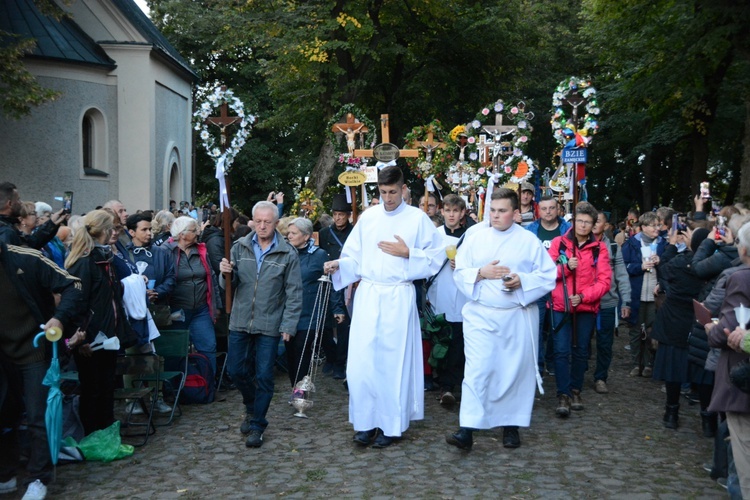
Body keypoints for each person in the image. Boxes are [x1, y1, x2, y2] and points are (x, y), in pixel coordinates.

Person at [324, 166, 443, 448]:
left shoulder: (417, 219)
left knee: (392, 363)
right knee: (363, 364)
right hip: (368, 295)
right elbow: (354, 255)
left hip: (398, 296)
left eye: (392, 192)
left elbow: (436, 258)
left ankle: (391, 425)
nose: (388, 198)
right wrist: (338, 264)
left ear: (402, 189)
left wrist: (409, 253)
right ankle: (365, 423)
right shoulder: (368, 218)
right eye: (383, 192)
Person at [444, 188, 555, 450]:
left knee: (512, 372)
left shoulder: (529, 241)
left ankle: (511, 426)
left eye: (502, 211)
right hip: (481, 315)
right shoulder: (476, 238)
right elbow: (460, 271)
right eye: (492, 210)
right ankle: (467, 429)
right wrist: (480, 272)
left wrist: (522, 281)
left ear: (516, 213)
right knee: (477, 370)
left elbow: (547, 275)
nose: (495, 215)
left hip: (516, 316)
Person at [0, 241, 82, 500]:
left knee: (38, 416)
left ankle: (39, 477)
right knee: (4, 415)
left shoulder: (26, 258)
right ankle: (6, 474)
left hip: (34, 349)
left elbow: (73, 284)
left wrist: (59, 318)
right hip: (2, 354)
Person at [219, 201, 302, 448]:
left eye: (268, 222)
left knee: (265, 375)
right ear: (252, 222)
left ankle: (257, 424)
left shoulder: (288, 253)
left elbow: (294, 292)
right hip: (240, 319)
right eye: (259, 221)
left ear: (276, 223)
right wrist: (225, 274)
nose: (263, 226)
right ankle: (251, 404)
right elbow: (228, 288)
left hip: (270, 322)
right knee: (236, 370)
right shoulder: (238, 247)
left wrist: (288, 325)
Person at [65, 210, 131, 435]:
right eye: (111, 228)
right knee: (92, 389)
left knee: (106, 387)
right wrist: (79, 336)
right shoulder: (85, 262)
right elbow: (75, 303)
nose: (114, 232)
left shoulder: (105, 260)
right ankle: (92, 434)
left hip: (108, 336)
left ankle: (106, 432)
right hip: (90, 339)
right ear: (103, 230)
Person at [548, 202, 612, 417]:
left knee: (581, 350)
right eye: (580, 221)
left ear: (594, 225)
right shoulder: (559, 243)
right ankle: (562, 393)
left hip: (585, 307)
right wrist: (566, 267)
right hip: (560, 306)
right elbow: (547, 273)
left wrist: (584, 297)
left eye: (588, 222)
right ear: (573, 221)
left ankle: (576, 389)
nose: (583, 226)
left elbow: (604, 280)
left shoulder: (599, 248)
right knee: (561, 350)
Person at [707, 222, 750, 498]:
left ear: (744, 249)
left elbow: (727, 332)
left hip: (743, 383)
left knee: (744, 470)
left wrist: (712, 330)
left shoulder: (742, 278)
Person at [284, 218, 345, 387]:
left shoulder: (319, 256)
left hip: (310, 313)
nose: (289, 236)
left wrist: (337, 308)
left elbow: (333, 282)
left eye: (293, 233)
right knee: (290, 353)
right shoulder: (285, 253)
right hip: (289, 313)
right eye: (288, 232)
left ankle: (299, 391)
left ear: (306, 236)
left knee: (301, 351)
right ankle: (294, 387)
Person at [426, 194, 469, 407]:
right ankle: (443, 383)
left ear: (462, 214)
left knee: (459, 342)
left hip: (461, 295)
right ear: (442, 212)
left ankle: (453, 384)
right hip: (439, 293)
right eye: (448, 210)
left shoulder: (469, 237)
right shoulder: (434, 235)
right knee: (441, 340)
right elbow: (426, 262)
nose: (451, 215)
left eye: (456, 211)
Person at [163, 217, 220, 376]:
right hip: (176, 310)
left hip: (201, 309)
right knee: (175, 349)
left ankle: (208, 385)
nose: (198, 233)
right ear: (182, 234)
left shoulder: (201, 250)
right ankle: (173, 388)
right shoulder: (166, 251)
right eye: (194, 230)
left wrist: (217, 306)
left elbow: (212, 277)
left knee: (208, 346)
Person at [526, 195, 571, 375]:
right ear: (538, 210)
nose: (548, 212)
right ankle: (538, 362)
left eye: (551, 208)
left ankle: (553, 361)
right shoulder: (530, 231)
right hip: (538, 285)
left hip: (561, 284)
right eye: (544, 209)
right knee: (536, 325)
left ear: (558, 209)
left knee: (557, 325)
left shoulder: (568, 230)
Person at [622, 212, 666, 377]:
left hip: (655, 296)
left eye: (658, 225)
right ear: (644, 227)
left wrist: (660, 263)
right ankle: (636, 364)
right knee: (635, 329)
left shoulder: (664, 244)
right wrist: (639, 267)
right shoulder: (631, 244)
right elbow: (623, 267)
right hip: (636, 294)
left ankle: (649, 364)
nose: (657, 228)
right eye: (653, 225)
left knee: (652, 330)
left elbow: (669, 268)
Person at [591, 211, 631, 394]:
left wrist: (626, 301)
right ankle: (578, 371)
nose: (593, 224)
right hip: (584, 302)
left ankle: (601, 377)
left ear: (606, 226)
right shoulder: (580, 244)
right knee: (581, 341)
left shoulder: (613, 247)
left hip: (606, 302)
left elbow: (621, 275)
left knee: (605, 343)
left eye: (597, 221)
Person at [317, 194, 353, 379]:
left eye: (341, 214)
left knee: (343, 325)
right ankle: (330, 356)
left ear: (348, 215)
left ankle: (340, 363)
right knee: (323, 324)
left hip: (347, 282)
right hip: (328, 281)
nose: (338, 218)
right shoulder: (324, 234)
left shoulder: (354, 232)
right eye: (335, 214)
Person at [0, 182, 64, 248]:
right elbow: (22, 254)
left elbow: (31, 243)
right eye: (18, 199)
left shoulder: (9, 226)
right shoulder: (5, 232)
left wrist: (52, 223)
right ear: (10, 203)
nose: (21, 202)